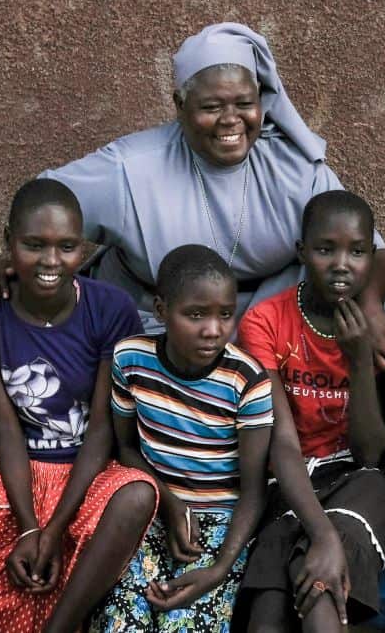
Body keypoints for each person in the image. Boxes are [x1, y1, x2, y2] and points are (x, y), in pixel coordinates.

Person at [0, 22, 385, 373]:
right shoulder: (131, 167)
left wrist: (371, 310)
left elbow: (371, 250)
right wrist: (24, 254)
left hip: (271, 333)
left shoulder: (294, 169)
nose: (231, 120)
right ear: (179, 105)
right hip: (152, 327)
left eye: (244, 103)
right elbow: (43, 198)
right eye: (210, 107)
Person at [0, 179, 158, 633]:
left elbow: (101, 430)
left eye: (67, 246)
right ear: (8, 241)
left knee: (137, 493)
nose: (51, 261)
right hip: (12, 472)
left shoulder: (109, 308)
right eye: (34, 245)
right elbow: (4, 426)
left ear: (84, 248)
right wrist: (26, 525)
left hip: (86, 474)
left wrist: (53, 529)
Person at [91, 245, 273, 632]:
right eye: (195, 314)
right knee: (124, 619)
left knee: (188, 623)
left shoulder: (246, 379)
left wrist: (220, 567)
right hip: (153, 511)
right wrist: (169, 504)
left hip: (223, 524)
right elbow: (126, 449)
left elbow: (254, 490)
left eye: (225, 314)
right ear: (161, 311)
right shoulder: (131, 360)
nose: (213, 329)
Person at [235, 190, 385, 632]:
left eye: (357, 251)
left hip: (358, 478)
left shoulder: (377, 326)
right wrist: (320, 534)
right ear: (302, 252)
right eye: (326, 249)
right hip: (287, 476)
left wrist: (360, 361)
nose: (342, 263)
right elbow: (280, 440)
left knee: (320, 585)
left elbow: (370, 454)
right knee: (271, 611)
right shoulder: (266, 322)